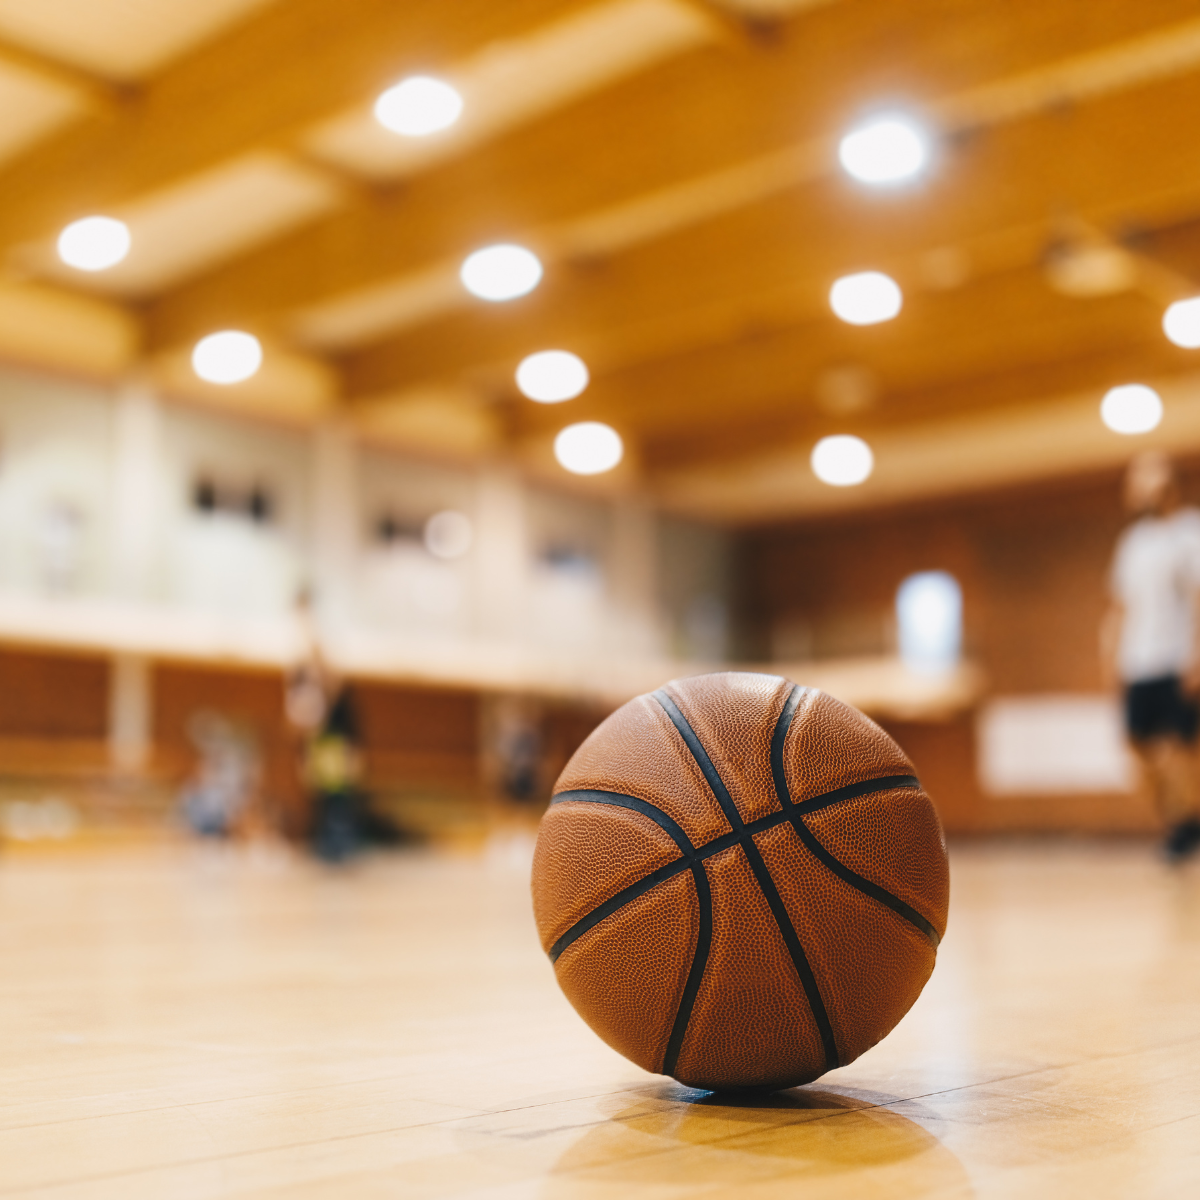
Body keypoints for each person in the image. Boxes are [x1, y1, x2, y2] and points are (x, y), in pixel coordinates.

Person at [1102, 451, 1200, 861]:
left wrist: (1196, 656)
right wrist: (1109, 658)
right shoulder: (1132, 544)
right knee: (1140, 749)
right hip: (1136, 661)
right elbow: (1119, 607)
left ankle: (1186, 826)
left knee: (1180, 750)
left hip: (1174, 658)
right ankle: (1183, 821)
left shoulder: (1189, 531)